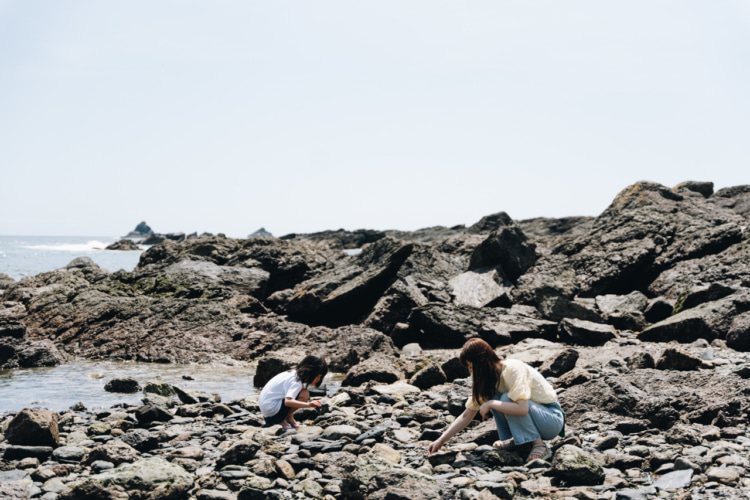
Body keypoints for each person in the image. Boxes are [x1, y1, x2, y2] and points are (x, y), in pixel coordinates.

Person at [427, 338, 564, 462]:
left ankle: (539, 445)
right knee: (492, 395)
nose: (470, 372)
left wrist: (491, 404)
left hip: (551, 419)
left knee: (506, 398)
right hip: (537, 420)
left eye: (471, 367)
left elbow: (522, 409)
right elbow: (467, 415)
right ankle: (520, 441)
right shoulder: (488, 379)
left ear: (481, 362)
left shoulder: (513, 369)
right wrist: (440, 441)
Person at [258, 355, 328, 429]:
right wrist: (308, 405)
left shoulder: (293, 374)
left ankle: (289, 417)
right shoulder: (296, 381)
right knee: (304, 394)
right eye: (318, 376)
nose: (319, 380)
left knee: (303, 392)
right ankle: (281, 420)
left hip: (267, 408)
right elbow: (288, 401)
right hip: (271, 410)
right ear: (311, 372)